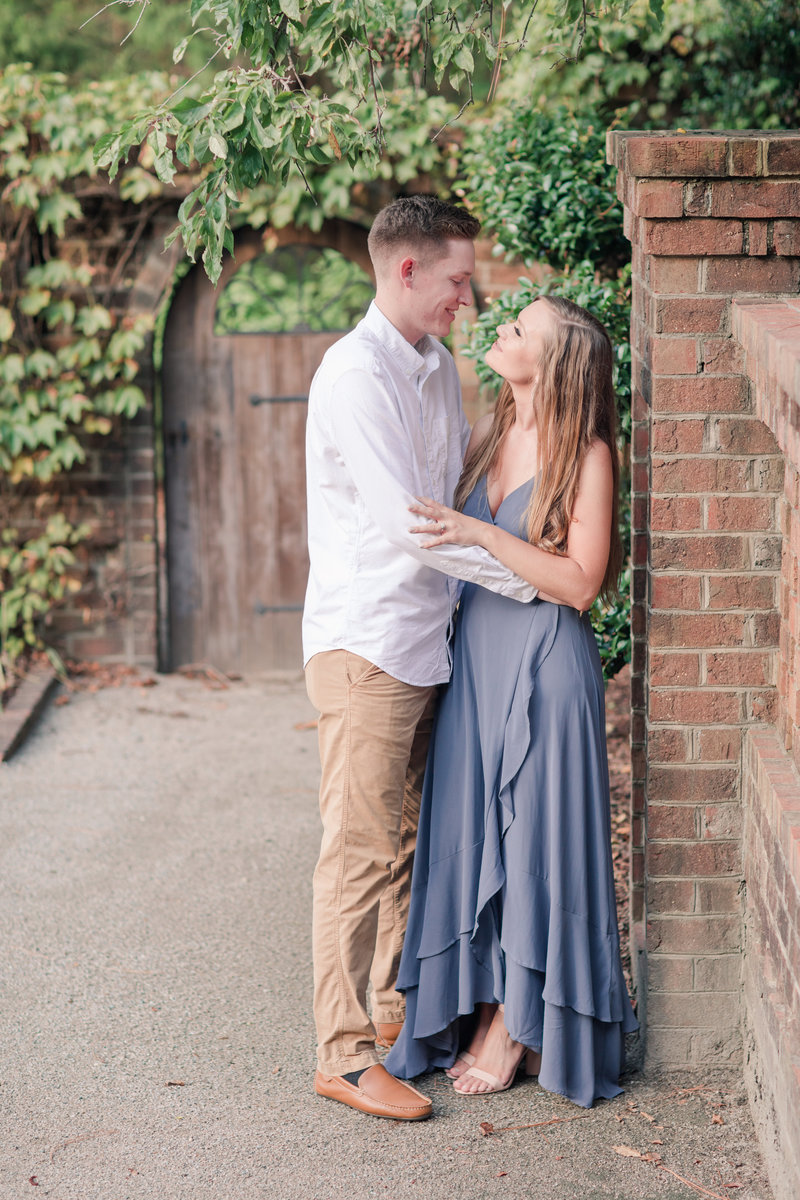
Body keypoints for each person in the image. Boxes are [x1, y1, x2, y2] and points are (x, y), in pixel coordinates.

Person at [303, 196, 538, 1122]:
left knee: (410, 847)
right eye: (456, 280)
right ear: (407, 270)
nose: (467, 298)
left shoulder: (437, 367)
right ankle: (341, 1055)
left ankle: (397, 1021)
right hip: (368, 644)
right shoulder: (353, 376)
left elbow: (455, 494)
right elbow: (414, 525)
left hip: (431, 641)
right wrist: (532, 581)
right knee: (357, 854)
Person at [383, 293, 638, 1108]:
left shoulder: (586, 454)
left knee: (532, 844)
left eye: (521, 329)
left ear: (553, 362)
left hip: (544, 668)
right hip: (477, 664)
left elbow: (581, 583)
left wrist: (487, 534)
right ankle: (486, 1003)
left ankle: (518, 1026)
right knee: (476, 836)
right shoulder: (488, 433)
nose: (502, 329)